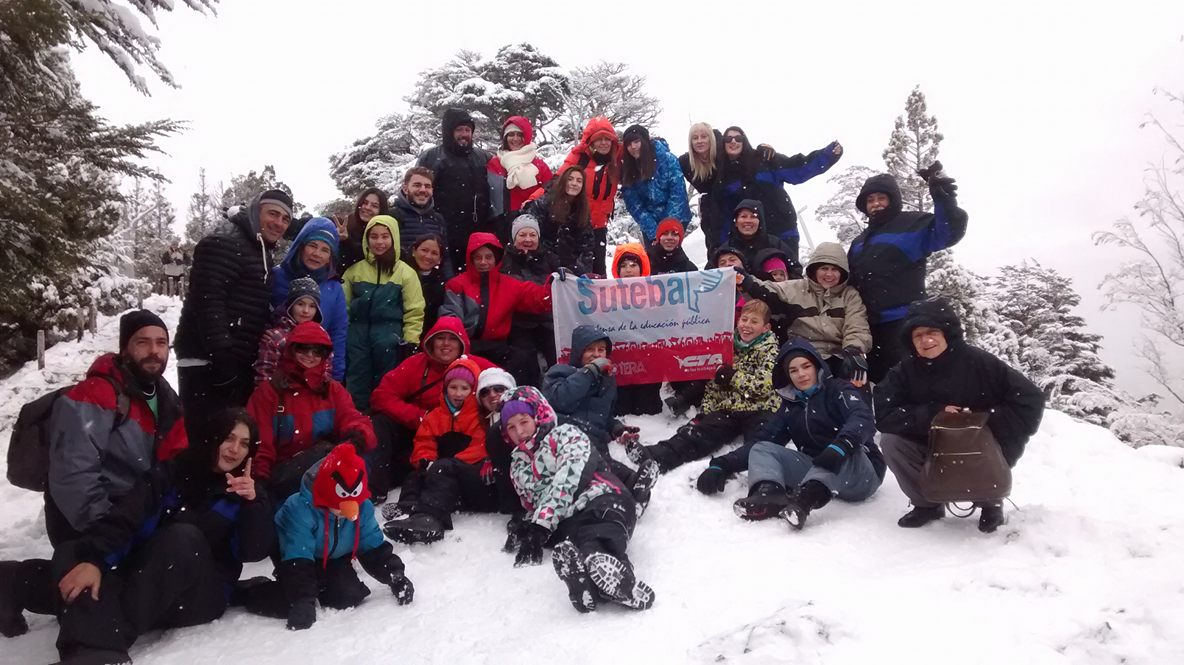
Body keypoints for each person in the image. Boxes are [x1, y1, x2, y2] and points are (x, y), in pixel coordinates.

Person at [0, 311, 188, 641]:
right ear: (125, 348)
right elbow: (72, 476)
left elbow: (174, 461)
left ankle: (14, 582)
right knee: (110, 588)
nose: (154, 351)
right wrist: (110, 535)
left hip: (132, 512)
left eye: (161, 343)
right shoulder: (94, 394)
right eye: (143, 342)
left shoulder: (164, 396)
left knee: (141, 577)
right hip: (86, 518)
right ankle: (13, 583)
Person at [41, 409, 273, 664]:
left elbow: (253, 550)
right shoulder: (172, 473)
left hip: (200, 596)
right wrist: (94, 561)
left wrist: (252, 504)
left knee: (183, 538)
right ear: (212, 437)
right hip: (148, 578)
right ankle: (87, 652)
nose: (235, 449)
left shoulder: (246, 493)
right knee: (73, 552)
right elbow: (127, 517)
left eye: (244, 444)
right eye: (229, 438)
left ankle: (100, 641)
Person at [875, 298, 1044, 533]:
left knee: (987, 443)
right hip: (930, 445)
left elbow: (1029, 399)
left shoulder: (980, 362)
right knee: (891, 442)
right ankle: (927, 505)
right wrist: (933, 415)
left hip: (980, 447)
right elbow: (884, 415)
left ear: (947, 333)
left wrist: (981, 423)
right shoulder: (903, 372)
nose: (925, 340)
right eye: (918, 335)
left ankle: (991, 502)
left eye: (932, 332)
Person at [500, 387, 655, 613]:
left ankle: (623, 582)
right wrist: (526, 525)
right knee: (579, 540)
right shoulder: (517, 466)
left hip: (603, 496)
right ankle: (588, 586)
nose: (519, 431)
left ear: (538, 416)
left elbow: (570, 476)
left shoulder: (565, 435)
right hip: (569, 517)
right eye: (511, 427)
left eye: (524, 421)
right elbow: (533, 502)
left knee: (602, 529)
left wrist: (542, 523)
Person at [242, 444, 413, 631]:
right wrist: (302, 600)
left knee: (348, 595)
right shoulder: (300, 509)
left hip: (332, 554)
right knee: (289, 603)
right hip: (293, 558)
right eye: (339, 503)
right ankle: (249, 591)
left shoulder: (362, 508)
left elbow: (372, 546)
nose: (347, 509)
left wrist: (395, 575)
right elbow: (298, 555)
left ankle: (317, 585)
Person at [723, 338, 884, 529]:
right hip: (816, 472)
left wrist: (841, 445)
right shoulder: (791, 406)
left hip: (860, 474)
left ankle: (803, 502)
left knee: (841, 451)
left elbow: (862, 418)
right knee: (762, 449)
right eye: (793, 370)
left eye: (806, 366)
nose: (801, 374)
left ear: (817, 367)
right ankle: (769, 496)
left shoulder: (838, 389)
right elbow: (763, 439)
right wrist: (722, 465)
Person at [175, 189, 293, 431]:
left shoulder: (258, 248)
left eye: (285, 219)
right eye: (272, 214)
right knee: (207, 438)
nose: (279, 223)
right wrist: (223, 358)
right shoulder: (225, 242)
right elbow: (208, 302)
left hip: (233, 361)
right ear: (255, 211)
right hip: (207, 362)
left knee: (229, 438)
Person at [848, 171, 968, 382]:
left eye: (881, 198)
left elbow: (948, 232)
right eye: (870, 200)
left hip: (905, 323)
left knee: (915, 382)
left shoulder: (912, 224)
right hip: (872, 329)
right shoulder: (859, 242)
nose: (875, 204)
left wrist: (944, 198)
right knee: (883, 385)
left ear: (893, 200)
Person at [638, 300, 779, 473]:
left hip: (761, 408)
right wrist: (706, 412)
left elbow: (764, 386)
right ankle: (658, 456)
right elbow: (713, 384)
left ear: (766, 327)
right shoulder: (726, 344)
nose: (747, 325)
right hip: (729, 408)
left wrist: (733, 377)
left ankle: (754, 476)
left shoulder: (770, 349)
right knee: (701, 434)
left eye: (754, 321)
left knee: (762, 444)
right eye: (744, 319)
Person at [246, 322, 377, 502]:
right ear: (291, 350)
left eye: (317, 351)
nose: (310, 355)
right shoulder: (270, 393)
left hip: (327, 469)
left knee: (358, 454)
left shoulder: (332, 390)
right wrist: (260, 480)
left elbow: (352, 417)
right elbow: (260, 445)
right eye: (303, 349)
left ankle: (351, 504)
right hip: (284, 476)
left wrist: (357, 436)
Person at [370, 317, 497, 497]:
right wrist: (419, 417)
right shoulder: (415, 364)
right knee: (380, 422)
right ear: (431, 341)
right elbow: (381, 396)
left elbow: (505, 388)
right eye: (440, 338)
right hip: (418, 432)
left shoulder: (479, 366)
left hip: (462, 435)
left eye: (452, 339)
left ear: (462, 343)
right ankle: (375, 489)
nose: (446, 344)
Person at [382, 357, 493, 543]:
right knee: (415, 475)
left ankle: (430, 518)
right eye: (453, 387)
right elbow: (423, 440)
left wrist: (451, 464)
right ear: (445, 388)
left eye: (464, 388)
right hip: (439, 468)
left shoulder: (478, 417)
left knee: (442, 472)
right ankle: (408, 505)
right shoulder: (435, 415)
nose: (458, 393)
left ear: (473, 390)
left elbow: (480, 447)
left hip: (466, 471)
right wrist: (426, 460)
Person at [740, 241, 872, 382]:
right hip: (803, 349)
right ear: (814, 270)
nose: (829, 274)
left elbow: (857, 324)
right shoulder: (797, 288)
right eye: (824, 268)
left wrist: (853, 350)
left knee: (852, 375)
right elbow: (770, 289)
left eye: (835, 270)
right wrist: (746, 281)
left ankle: (847, 392)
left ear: (842, 273)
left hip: (838, 353)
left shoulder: (849, 295)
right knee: (810, 371)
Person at [712, 126, 842, 262]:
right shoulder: (722, 177)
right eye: (728, 138)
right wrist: (722, 248)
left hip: (782, 233)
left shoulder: (765, 160)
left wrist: (828, 155)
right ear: (723, 143)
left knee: (786, 273)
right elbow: (723, 216)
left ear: (745, 141)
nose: (733, 141)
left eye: (738, 138)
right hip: (748, 240)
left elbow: (798, 169)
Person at [441, 233, 553, 387]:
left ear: (496, 259)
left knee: (524, 359)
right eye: (478, 257)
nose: (483, 262)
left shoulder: (509, 285)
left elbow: (539, 298)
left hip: (498, 348)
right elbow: (451, 318)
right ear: (471, 259)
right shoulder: (457, 285)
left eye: (488, 257)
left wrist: (555, 283)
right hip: (467, 348)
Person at [342, 215, 426, 411]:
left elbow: (414, 311)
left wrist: (411, 341)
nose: (379, 242)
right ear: (367, 239)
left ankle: (382, 423)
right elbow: (343, 307)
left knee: (386, 386)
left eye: (385, 236)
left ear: (394, 238)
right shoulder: (354, 271)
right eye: (374, 237)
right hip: (357, 336)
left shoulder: (405, 272)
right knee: (356, 382)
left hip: (389, 338)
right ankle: (356, 422)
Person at [269, 217, 349, 381]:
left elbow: (338, 334)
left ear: (330, 257)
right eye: (312, 245)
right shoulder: (276, 276)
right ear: (301, 246)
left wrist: (335, 378)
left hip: (315, 370)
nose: (317, 254)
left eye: (325, 250)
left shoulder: (333, 288)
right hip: (276, 367)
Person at [542, 325, 639, 454]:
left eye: (601, 350)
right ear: (579, 352)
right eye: (590, 349)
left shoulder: (607, 380)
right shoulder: (560, 372)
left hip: (596, 440)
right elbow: (558, 400)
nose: (596, 354)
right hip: (566, 438)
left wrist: (616, 428)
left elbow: (603, 415)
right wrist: (589, 372)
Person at [416, 108, 493, 271]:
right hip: (443, 232)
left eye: (467, 130)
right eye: (459, 130)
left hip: (477, 232)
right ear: (449, 131)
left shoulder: (484, 158)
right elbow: (417, 191)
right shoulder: (431, 157)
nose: (464, 134)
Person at [560, 116, 620, 276]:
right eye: (599, 139)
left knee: (599, 274)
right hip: (576, 224)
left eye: (607, 139)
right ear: (591, 142)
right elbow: (557, 181)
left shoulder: (615, 161)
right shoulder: (579, 158)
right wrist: (533, 200)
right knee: (574, 272)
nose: (604, 143)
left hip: (599, 227)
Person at [609, 243, 663, 416]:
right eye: (624, 266)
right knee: (621, 409)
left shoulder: (657, 291)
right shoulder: (608, 293)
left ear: (642, 268)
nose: (628, 270)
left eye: (633, 265)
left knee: (648, 409)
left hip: (648, 362)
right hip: (621, 364)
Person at [500, 214, 560, 366]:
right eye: (522, 235)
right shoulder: (505, 261)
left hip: (548, 322)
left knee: (557, 354)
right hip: (518, 323)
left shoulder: (549, 258)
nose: (528, 239)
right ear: (514, 238)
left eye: (532, 235)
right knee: (523, 358)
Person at [619, 124, 691, 242]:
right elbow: (634, 204)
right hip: (650, 224)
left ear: (645, 141)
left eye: (636, 142)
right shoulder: (628, 168)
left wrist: (666, 229)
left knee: (672, 251)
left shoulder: (668, 160)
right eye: (629, 144)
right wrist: (654, 231)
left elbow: (678, 195)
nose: (633, 147)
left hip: (676, 219)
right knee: (654, 252)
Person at [520, 166, 596, 275]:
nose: (574, 183)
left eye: (579, 181)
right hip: (541, 261)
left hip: (569, 265)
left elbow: (587, 244)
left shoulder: (582, 210)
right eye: (570, 179)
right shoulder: (546, 202)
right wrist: (552, 260)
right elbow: (532, 233)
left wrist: (583, 271)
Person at [254, 276, 322, 385]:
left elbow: (325, 372)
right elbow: (264, 373)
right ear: (291, 305)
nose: (306, 311)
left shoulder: (321, 337)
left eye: (312, 306)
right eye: (300, 304)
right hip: (280, 392)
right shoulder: (276, 337)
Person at [487, 116, 553, 223]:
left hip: (531, 223)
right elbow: (488, 194)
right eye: (511, 134)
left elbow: (551, 192)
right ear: (505, 138)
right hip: (500, 222)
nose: (515, 139)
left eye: (520, 135)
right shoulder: (494, 164)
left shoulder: (539, 166)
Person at [394, 166, 454, 278]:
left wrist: (449, 282)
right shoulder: (393, 215)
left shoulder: (437, 219)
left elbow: (445, 259)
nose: (423, 190)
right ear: (405, 189)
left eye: (427, 186)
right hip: (399, 282)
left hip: (431, 283)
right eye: (417, 185)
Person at [679, 122, 725, 256]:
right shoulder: (686, 163)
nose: (699, 141)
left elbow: (747, 154)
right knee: (715, 251)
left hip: (731, 207)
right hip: (710, 213)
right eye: (695, 138)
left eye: (704, 136)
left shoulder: (724, 154)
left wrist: (763, 148)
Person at [727, 199, 801, 278]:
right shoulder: (728, 248)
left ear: (760, 221)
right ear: (736, 222)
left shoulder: (775, 244)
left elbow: (795, 271)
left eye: (753, 217)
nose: (748, 221)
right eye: (743, 216)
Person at [336, 188, 389, 275]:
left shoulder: (385, 230)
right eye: (365, 203)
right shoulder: (348, 224)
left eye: (374, 206)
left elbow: (371, 255)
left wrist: (347, 241)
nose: (367, 208)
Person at [405, 233, 448, 333]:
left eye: (434, 253)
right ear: (414, 251)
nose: (428, 256)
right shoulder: (401, 275)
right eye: (424, 250)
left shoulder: (443, 285)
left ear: (440, 259)